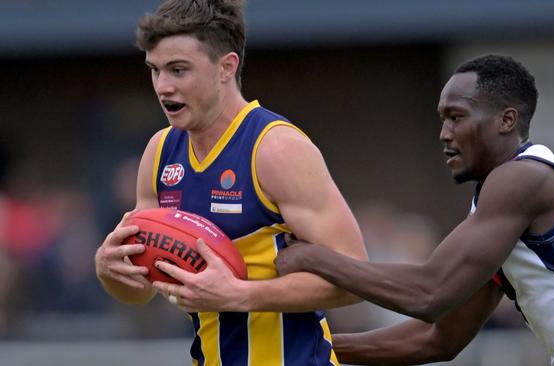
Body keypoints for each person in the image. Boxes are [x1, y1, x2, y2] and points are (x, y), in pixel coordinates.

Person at [275, 54, 554, 366]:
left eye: (457, 117)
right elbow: (438, 339)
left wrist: (315, 258)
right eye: (443, 118)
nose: (444, 133)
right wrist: (312, 350)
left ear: (506, 121)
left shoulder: (522, 179)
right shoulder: (498, 204)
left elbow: (428, 292)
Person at [93, 1, 367, 365]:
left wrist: (239, 295)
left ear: (226, 67)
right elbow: (141, 289)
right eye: (155, 70)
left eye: (178, 70)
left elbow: (356, 280)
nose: (163, 86)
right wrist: (108, 269)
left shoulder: (276, 149)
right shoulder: (159, 152)